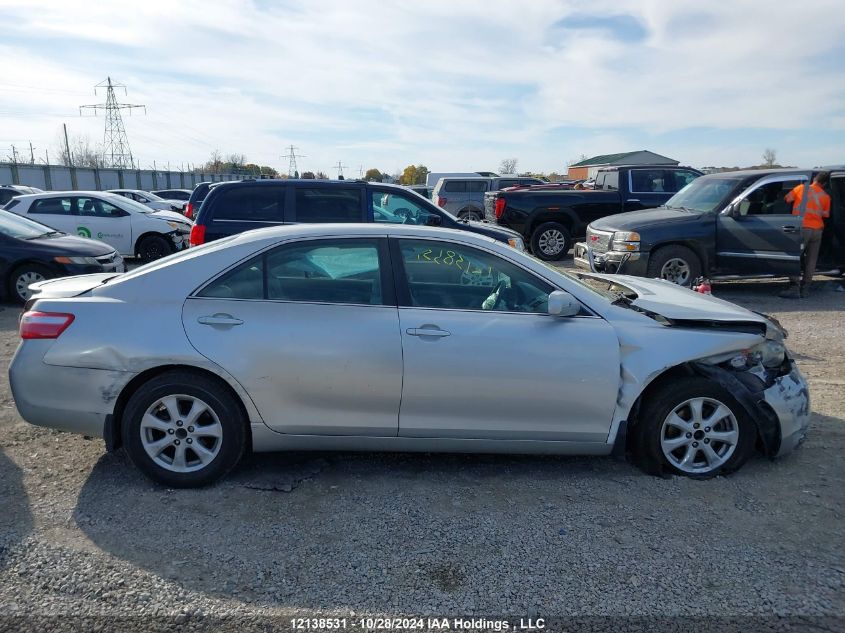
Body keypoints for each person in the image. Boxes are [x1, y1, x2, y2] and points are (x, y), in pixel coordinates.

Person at [779, 171, 831, 298]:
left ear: (814, 179)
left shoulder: (801, 188)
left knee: (795, 257)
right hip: (817, 230)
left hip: (802, 228)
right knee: (811, 260)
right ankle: (806, 288)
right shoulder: (826, 196)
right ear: (824, 184)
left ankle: (794, 287)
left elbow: (787, 199)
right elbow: (826, 215)